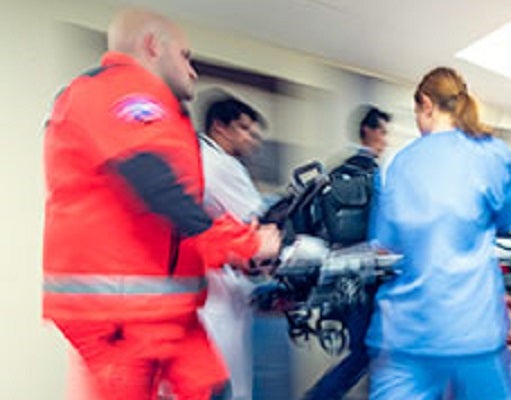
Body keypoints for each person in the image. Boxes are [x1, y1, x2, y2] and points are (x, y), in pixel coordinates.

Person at [42, 9, 280, 400]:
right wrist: (242, 244)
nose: (193, 72)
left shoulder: (162, 112)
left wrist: (245, 257)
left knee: (214, 390)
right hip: (118, 312)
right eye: (186, 56)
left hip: (168, 308)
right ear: (153, 46)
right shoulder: (113, 90)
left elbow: (166, 224)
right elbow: (157, 188)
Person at [365, 67, 511, 399]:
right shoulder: (494, 153)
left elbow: (384, 246)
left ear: (426, 104)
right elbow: (507, 222)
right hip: (474, 328)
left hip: (406, 331)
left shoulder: (395, 163)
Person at [303, 105, 391, 400]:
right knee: (368, 350)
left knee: (367, 349)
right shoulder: (369, 171)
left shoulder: (336, 166)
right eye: (382, 131)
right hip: (363, 274)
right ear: (367, 131)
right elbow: (380, 227)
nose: (385, 139)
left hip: (338, 271)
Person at [197, 95, 268, 400]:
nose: (251, 139)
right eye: (243, 129)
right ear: (219, 128)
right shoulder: (219, 164)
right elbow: (260, 222)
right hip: (216, 296)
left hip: (214, 289)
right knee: (230, 388)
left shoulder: (200, 157)